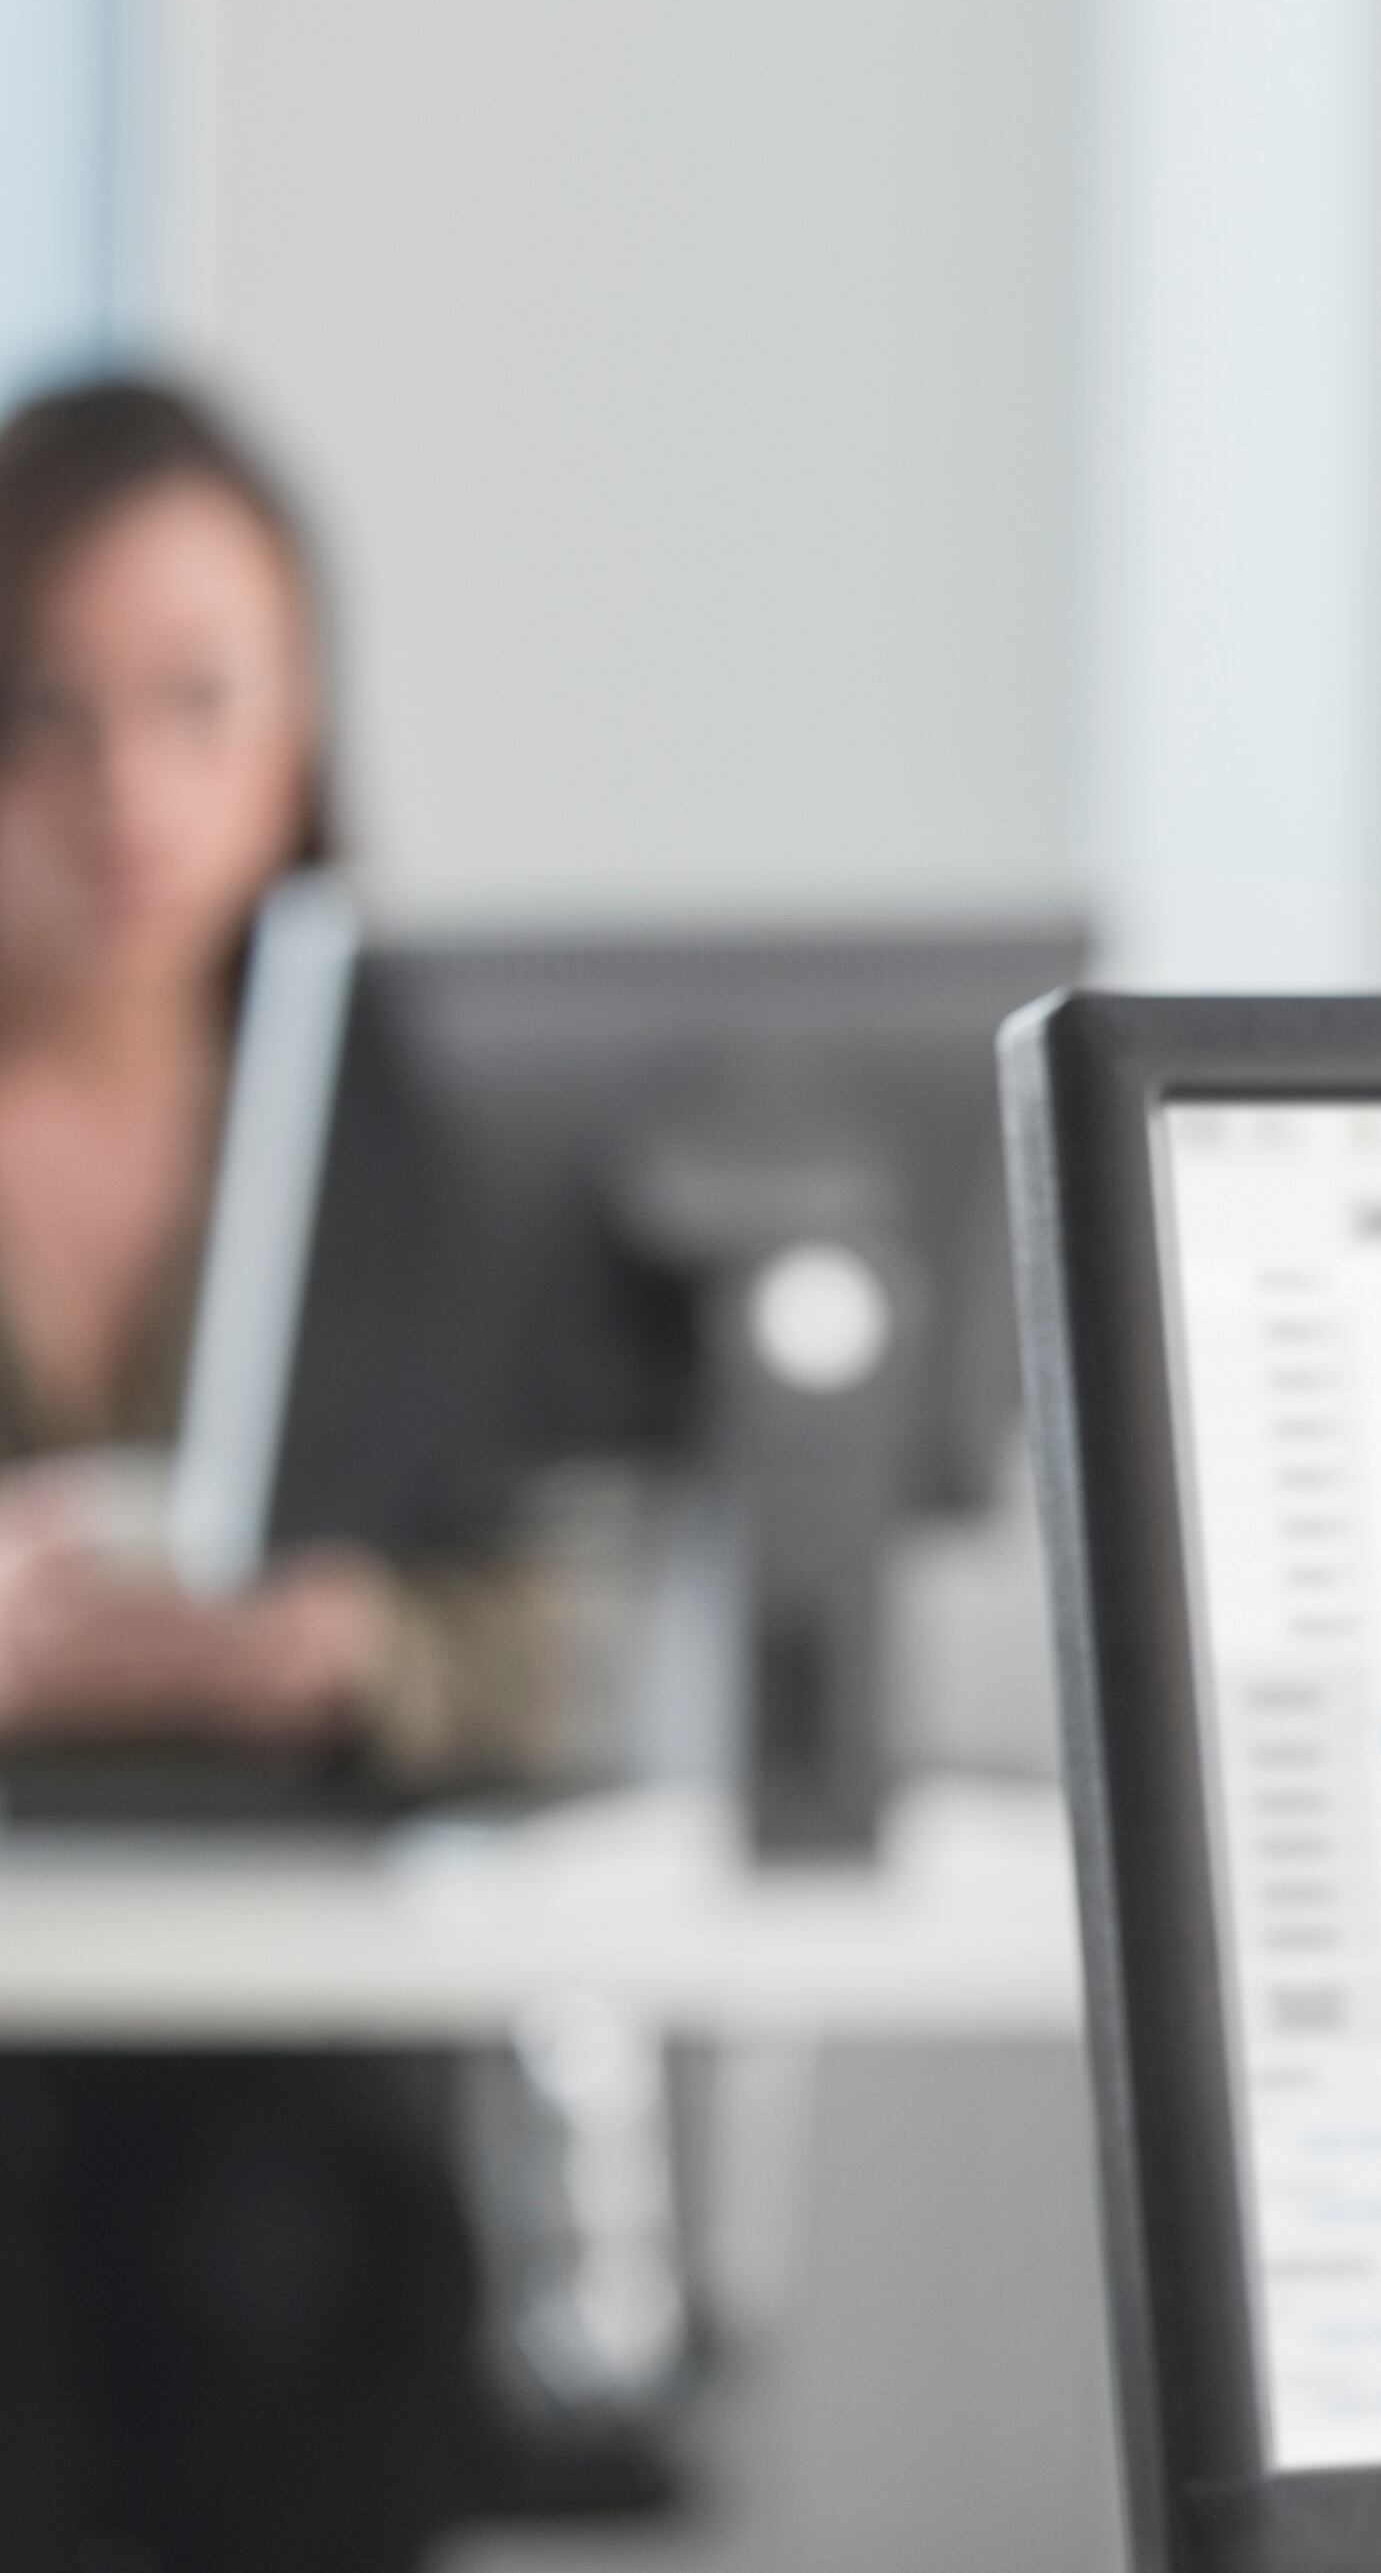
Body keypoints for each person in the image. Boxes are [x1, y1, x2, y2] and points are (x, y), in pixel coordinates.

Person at [0, 376, 570, 2573]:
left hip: (297, 2083)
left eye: (196, 704)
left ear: (302, 723)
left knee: (298, 2286)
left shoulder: (413, 1134)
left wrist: (347, 1649)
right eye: (46, 711)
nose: (127, 790)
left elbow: (572, 1613)